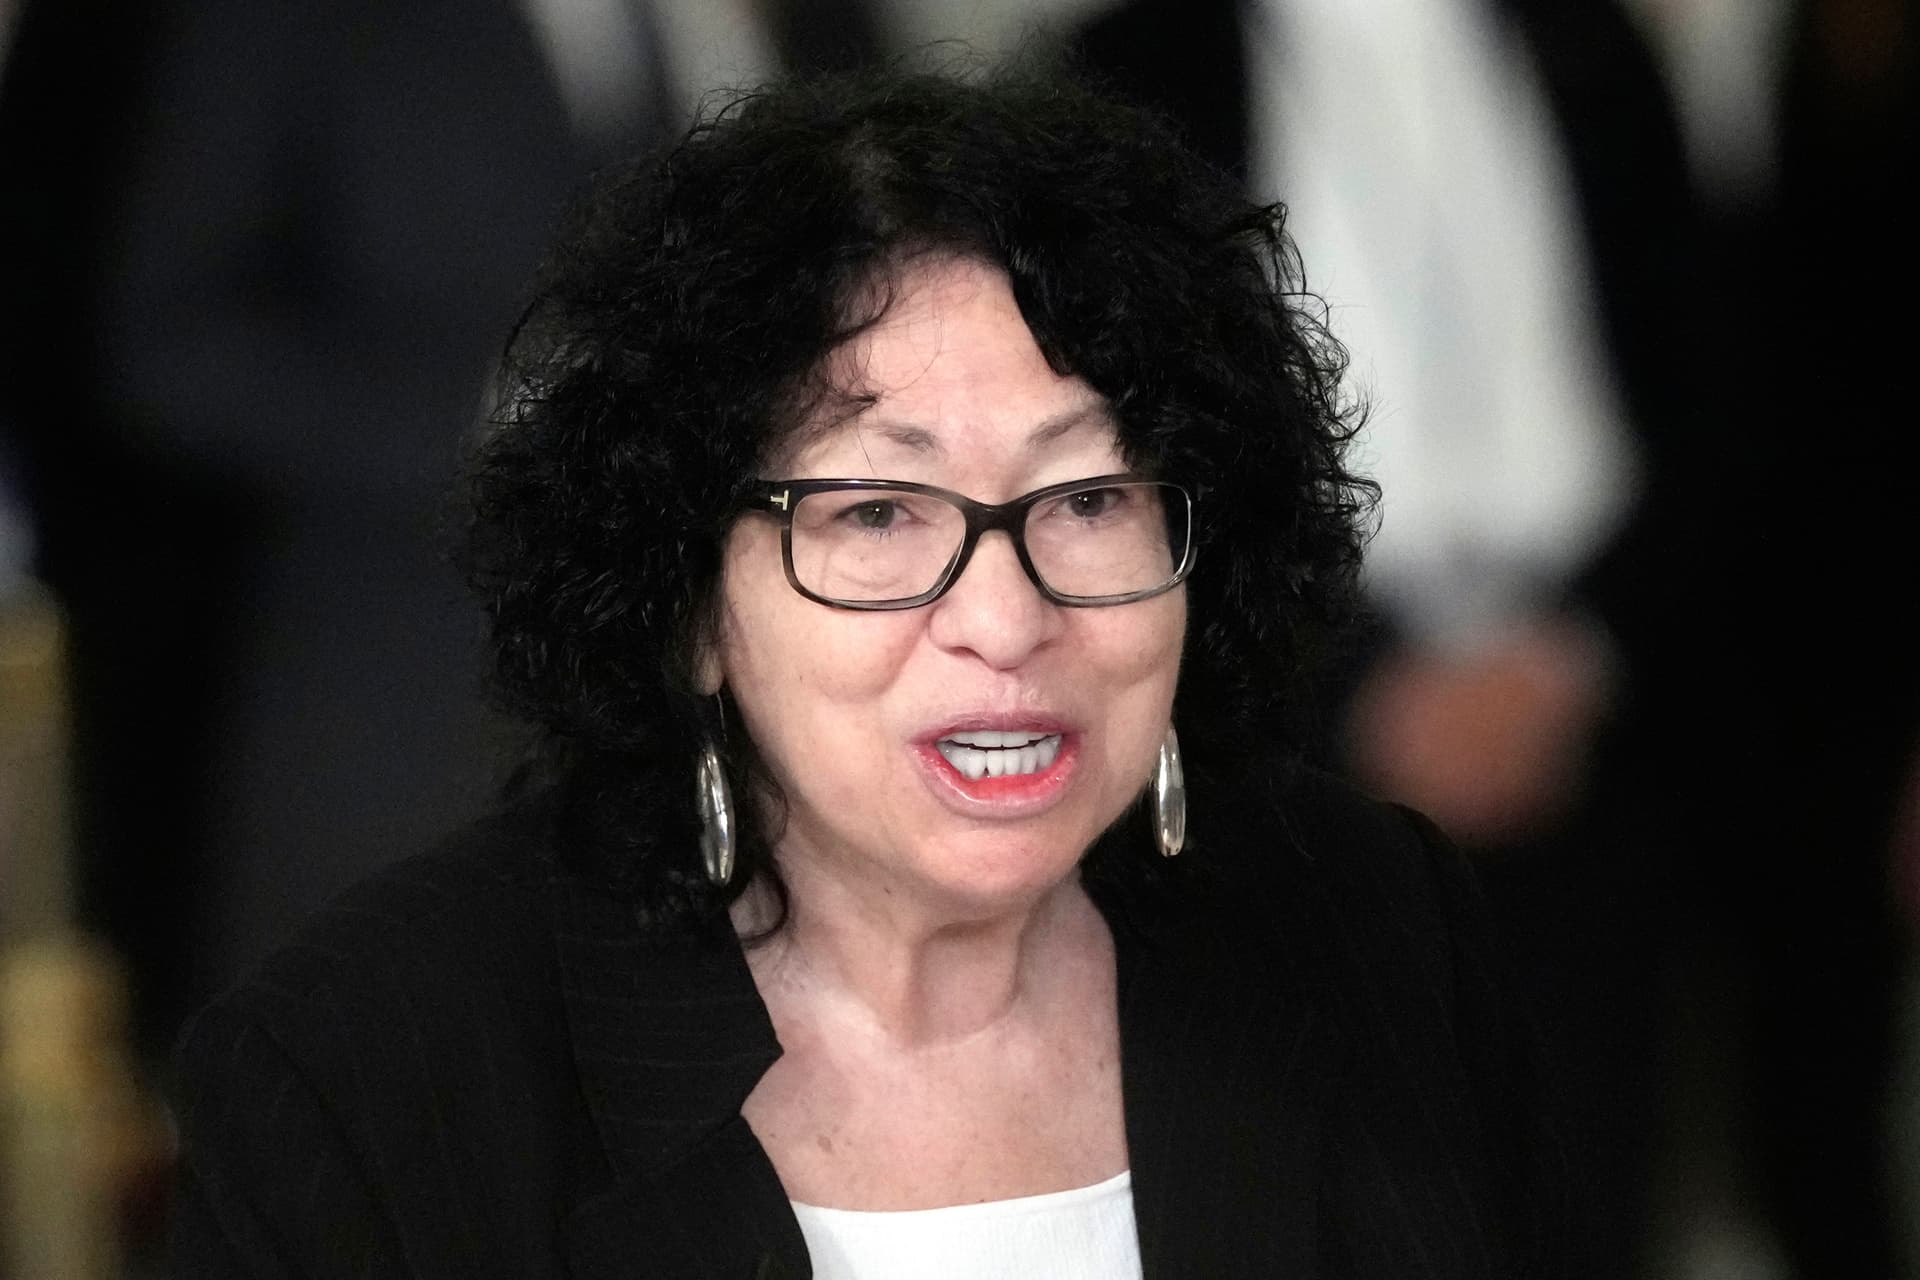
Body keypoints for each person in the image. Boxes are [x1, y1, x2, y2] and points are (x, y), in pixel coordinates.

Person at [167, 66, 1557, 1278]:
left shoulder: (1384, 931)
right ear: (691, 601)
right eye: (880, 514)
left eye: (1088, 498)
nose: (1007, 620)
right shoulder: (366, 1077)